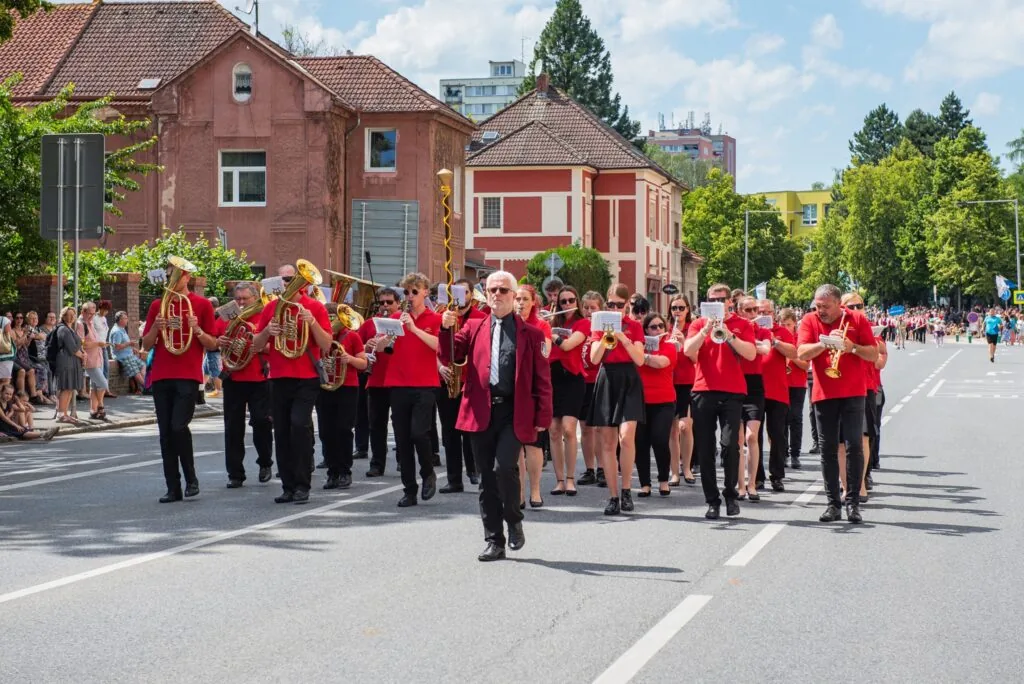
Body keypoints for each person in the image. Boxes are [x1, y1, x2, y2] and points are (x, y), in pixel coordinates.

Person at [438, 270, 552, 562]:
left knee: (505, 468)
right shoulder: (474, 327)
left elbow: (542, 380)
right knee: (486, 477)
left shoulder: (532, 334)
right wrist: (446, 328)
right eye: (492, 290)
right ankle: (494, 540)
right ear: (485, 295)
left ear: (514, 296)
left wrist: (543, 416)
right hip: (480, 411)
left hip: (514, 412)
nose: (497, 295)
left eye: (503, 290)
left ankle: (513, 518)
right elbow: (451, 354)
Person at [251, 264, 333, 504]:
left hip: (306, 377)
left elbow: (326, 344)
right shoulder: (271, 308)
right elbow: (256, 345)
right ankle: (288, 486)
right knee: (283, 431)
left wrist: (312, 323)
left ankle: (302, 484)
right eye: (283, 279)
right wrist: (267, 330)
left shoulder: (314, 307)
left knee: (299, 425)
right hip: (278, 377)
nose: (285, 283)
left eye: (290, 279)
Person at [797, 284, 878, 524]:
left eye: (825, 306)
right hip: (824, 393)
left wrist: (852, 347)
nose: (820, 310)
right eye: (817, 306)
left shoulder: (856, 319)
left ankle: (852, 502)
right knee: (828, 449)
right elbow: (801, 353)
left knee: (854, 446)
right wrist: (824, 343)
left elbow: (873, 354)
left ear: (837, 304)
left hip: (854, 391)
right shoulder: (810, 320)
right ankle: (832, 504)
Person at [142, 260, 219, 503]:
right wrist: (156, 326)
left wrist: (197, 331)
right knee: (165, 434)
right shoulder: (158, 304)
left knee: (178, 427)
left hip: (188, 375)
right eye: (168, 275)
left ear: (186, 277)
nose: (170, 279)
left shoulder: (202, 304)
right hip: (162, 375)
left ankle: (191, 479)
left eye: (175, 275)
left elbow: (213, 344)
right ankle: (173, 487)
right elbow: (145, 345)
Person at [683, 283, 757, 519]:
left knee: (729, 446)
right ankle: (712, 500)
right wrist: (705, 330)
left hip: (732, 392)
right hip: (703, 390)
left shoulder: (742, 324)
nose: (717, 303)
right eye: (712, 300)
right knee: (705, 449)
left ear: (729, 302)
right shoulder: (697, 324)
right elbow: (687, 351)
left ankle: (730, 494)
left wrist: (729, 334)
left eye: (721, 299)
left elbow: (751, 354)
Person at [382, 272, 442, 508]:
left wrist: (415, 329)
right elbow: (383, 348)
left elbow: (440, 347)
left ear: (425, 292)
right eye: (406, 292)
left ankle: (428, 472)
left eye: (414, 292)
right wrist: (382, 341)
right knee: (403, 440)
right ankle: (409, 489)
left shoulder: (435, 319)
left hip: (425, 384)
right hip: (398, 384)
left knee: (419, 433)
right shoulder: (396, 317)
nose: (409, 296)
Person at [587, 283, 646, 515]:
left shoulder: (634, 326)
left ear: (626, 306)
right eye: (610, 304)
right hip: (607, 379)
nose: (614, 308)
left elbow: (640, 360)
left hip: (629, 378)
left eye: (619, 305)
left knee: (626, 436)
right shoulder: (598, 324)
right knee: (609, 442)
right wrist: (605, 337)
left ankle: (627, 489)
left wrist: (622, 337)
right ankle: (613, 496)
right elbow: (594, 359)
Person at [217, 282, 274, 488]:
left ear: (255, 299)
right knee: (233, 428)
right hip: (233, 377)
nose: (241, 303)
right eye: (238, 299)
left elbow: (272, 347)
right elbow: (215, 340)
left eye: (245, 299)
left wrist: (254, 345)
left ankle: (265, 462)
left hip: (259, 378)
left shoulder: (264, 316)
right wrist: (220, 342)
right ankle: (235, 473)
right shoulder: (226, 318)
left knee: (262, 423)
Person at [437, 278, 485, 494]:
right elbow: (439, 349)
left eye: (463, 292)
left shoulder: (482, 318)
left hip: (471, 382)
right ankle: (454, 479)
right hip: (449, 381)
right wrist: (444, 327)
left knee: (472, 432)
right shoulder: (446, 317)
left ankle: (476, 471)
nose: (459, 297)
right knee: (449, 433)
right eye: (455, 292)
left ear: (471, 295)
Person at [316, 303, 369, 489]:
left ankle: (345, 471)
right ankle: (332, 472)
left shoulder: (351, 335)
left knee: (343, 430)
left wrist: (350, 359)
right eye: (328, 318)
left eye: (334, 318)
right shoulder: (318, 336)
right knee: (326, 431)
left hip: (347, 387)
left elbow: (363, 363)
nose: (331, 322)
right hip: (324, 386)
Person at [547, 285, 590, 496]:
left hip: (573, 378)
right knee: (553, 430)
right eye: (562, 302)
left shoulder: (583, 323)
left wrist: (551, 334)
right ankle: (559, 480)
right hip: (553, 377)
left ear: (577, 301)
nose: (567, 305)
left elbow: (567, 346)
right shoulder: (552, 322)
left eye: (571, 300)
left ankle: (571, 478)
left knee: (569, 428)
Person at [511, 284, 550, 507]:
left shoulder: (541, 325)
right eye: (517, 298)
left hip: (534, 391)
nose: (520, 303)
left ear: (533, 302)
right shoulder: (507, 324)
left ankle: (535, 490)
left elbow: (546, 354)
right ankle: (520, 493)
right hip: (515, 392)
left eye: (525, 299)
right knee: (516, 447)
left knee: (533, 445)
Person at [756, 299, 798, 493]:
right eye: (759, 311)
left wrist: (774, 340)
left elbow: (793, 352)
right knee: (754, 435)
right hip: (755, 389)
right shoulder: (751, 330)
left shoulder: (783, 332)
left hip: (778, 390)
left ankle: (777, 475)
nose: (763, 315)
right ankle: (757, 476)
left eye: (767, 312)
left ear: (773, 314)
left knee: (777, 435)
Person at [635, 312, 677, 497]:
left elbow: (661, 363)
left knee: (660, 440)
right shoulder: (639, 345)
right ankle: (645, 483)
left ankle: (663, 480)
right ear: (645, 330)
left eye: (661, 326)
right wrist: (640, 352)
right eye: (653, 327)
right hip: (640, 400)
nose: (658, 329)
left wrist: (641, 356)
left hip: (664, 400)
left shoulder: (669, 346)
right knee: (640, 442)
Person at [361, 288, 402, 477]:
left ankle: (404, 459)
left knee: (401, 424)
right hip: (376, 381)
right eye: (381, 302)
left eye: (389, 302)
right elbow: (355, 347)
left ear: (397, 304)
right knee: (376, 425)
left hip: (399, 381)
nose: (385, 306)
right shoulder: (369, 324)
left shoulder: (402, 323)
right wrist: (366, 346)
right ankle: (377, 463)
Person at [577, 291, 605, 487]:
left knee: (601, 429)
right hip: (582, 382)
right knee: (586, 428)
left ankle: (604, 467)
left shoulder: (603, 328)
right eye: (585, 307)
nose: (588, 311)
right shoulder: (579, 327)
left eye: (592, 308)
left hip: (600, 381)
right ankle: (590, 469)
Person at [668, 294, 696, 485]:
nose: (677, 312)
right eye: (674, 308)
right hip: (669, 381)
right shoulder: (664, 328)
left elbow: (695, 358)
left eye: (681, 308)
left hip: (688, 381)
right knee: (672, 429)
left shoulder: (693, 329)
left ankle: (687, 468)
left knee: (686, 427)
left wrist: (685, 340)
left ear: (688, 309)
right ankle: (674, 472)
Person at [779, 308, 810, 470]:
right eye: (783, 324)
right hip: (781, 382)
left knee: (796, 418)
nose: (785, 327)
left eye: (788, 324)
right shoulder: (777, 338)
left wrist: (792, 356)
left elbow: (806, 365)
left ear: (794, 325)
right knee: (782, 419)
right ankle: (782, 453)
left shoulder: (800, 340)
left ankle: (795, 454)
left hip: (797, 383)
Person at [77, 302, 110, 420]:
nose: (92, 316)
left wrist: (101, 344)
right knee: (103, 383)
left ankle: (93, 410)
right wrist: (98, 343)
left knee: (95, 385)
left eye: (93, 313)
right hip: (90, 359)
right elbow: (81, 344)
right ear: (83, 312)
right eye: (89, 314)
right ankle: (101, 405)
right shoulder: (80, 324)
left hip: (98, 356)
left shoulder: (90, 322)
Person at [53, 307, 86, 424]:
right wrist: (82, 355)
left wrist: (82, 353)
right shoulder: (63, 329)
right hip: (66, 361)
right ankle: (61, 414)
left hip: (72, 361)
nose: (71, 317)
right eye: (68, 314)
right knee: (66, 387)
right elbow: (72, 348)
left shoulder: (70, 329)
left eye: (73, 314)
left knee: (70, 387)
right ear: (63, 316)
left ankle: (65, 413)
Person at [109, 311, 146, 393]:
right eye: (125, 318)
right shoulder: (117, 331)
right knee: (136, 371)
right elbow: (117, 346)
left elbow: (123, 344)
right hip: (122, 357)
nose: (127, 320)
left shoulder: (122, 329)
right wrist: (129, 343)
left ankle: (144, 386)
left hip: (129, 354)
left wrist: (132, 348)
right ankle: (147, 387)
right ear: (120, 320)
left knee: (143, 365)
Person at [95, 300, 115, 399]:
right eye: (104, 310)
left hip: (103, 346)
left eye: (107, 311)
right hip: (97, 346)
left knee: (106, 368)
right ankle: (100, 390)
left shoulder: (104, 319)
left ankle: (106, 390)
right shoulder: (95, 318)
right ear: (100, 308)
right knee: (100, 369)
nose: (105, 312)